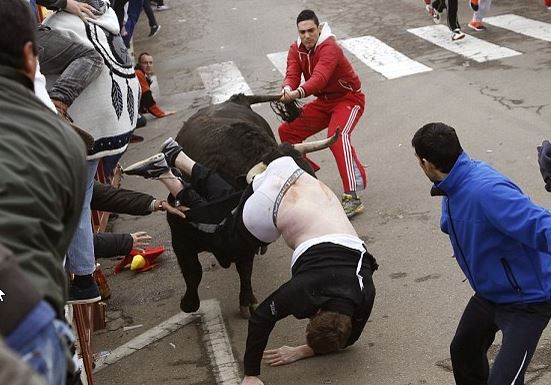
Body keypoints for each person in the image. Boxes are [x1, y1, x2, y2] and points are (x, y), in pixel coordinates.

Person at [122, 139, 377, 385]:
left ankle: (178, 156)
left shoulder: (365, 292)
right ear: (318, 312)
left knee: (233, 200)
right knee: (222, 236)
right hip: (276, 202)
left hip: (293, 172)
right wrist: (251, 375)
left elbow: (350, 337)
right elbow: (261, 318)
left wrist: (302, 350)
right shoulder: (305, 288)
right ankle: (167, 175)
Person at [412, 122, 551, 385]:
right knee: (464, 350)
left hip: (527, 301)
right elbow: (457, 220)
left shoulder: (487, 190)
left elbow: (541, 226)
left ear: (426, 163)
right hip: (491, 294)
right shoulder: (452, 184)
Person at [0, 2, 87, 384]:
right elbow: (57, 235)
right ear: (29, 58)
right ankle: (84, 275)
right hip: (20, 316)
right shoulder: (63, 141)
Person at [278, 10, 368, 218]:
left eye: (311, 30)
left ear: (319, 29)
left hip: (349, 100)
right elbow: (292, 74)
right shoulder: (295, 49)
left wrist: (297, 92)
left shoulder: (330, 47)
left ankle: (352, 197)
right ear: (298, 32)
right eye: (302, 32)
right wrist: (286, 88)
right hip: (322, 103)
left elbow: (320, 77)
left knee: (337, 136)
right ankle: (308, 179)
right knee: (288, 132)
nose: (307, 35)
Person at [135, 52, 175, 118]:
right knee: (142, 121)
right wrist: (162, 113)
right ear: (139, 64)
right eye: (145, 63)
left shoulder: (141, 73)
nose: (148, 65)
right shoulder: (138, 73)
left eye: (150, 63)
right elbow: (147, 98)